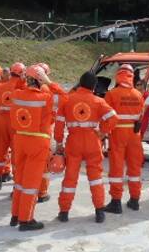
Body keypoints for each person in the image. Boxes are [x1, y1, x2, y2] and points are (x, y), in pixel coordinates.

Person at [55, 71, 118, 223]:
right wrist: (103, 132)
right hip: (92, 142)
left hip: (73, 142)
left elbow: (58, 124)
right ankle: (99, 211)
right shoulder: (98, 101)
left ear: (80, 83)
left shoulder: (67, 100)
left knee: (70, 178)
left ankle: (64, 212)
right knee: (96, 178)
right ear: (94, 86)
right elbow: (113, 117)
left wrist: (58, 143)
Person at [9, 65, 54, 231]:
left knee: (19, 181)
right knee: (31, 184)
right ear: (40, 80)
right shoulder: (46, 97)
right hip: (38, 142)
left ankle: (15, 215)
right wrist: (48, 82)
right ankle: (26, 220)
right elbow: (63, 97)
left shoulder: (16, 95)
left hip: (20, 139)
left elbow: (17, 87)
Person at [103, 64, 145, 213]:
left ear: (118, 76)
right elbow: (141, 115)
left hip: (118, 133)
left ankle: (116, 201)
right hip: (134, 134)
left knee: (117, 167)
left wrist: (102, 133)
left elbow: (106, 117)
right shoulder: (138, 94)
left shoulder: (112, 94)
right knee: (134, 168)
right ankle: (135, 199)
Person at [0, 62, 26, 190]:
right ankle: (16, 185)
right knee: (16, 153)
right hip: (15, 123)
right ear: (22, 73)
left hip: (1, 121)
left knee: (0, 150)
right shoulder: (22, 87)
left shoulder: (2, 87)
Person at [36, 62, 67, 203]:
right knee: (43, 164)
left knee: (22, 163)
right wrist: (50, 83)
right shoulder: (49, 92)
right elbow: (64, 98)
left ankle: (17, 190)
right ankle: (42, 193)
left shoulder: (23, 90)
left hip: (24, 132)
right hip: (44, 133)